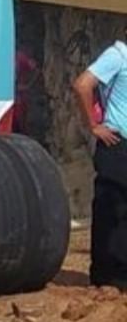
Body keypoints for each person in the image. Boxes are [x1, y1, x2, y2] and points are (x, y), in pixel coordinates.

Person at [73, 31, 127, 289]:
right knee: (112, 210)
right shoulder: (117, 55)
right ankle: (106, 277)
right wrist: (93, 126)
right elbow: (83, 84)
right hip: (116, 143)